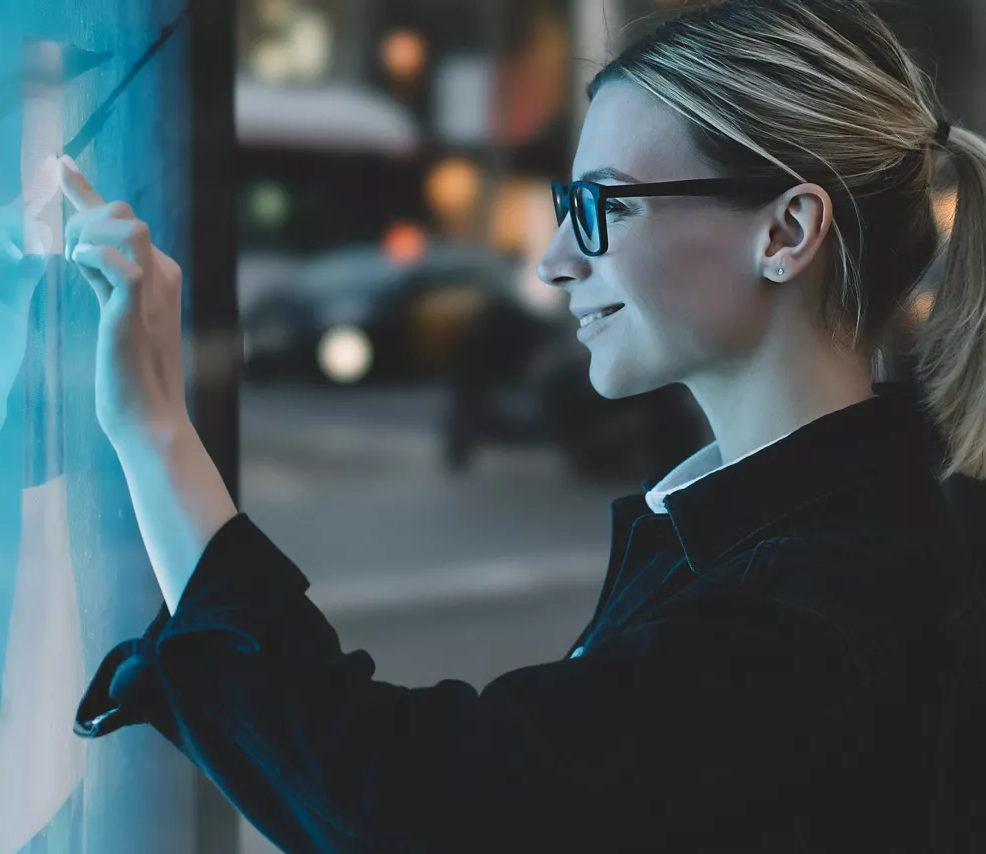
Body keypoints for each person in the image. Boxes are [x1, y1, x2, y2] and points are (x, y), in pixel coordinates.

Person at [67, 0, 986, 849]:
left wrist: (154, 430)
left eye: (601, 207)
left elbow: (406, 803)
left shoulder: (811, 613)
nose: (551, 262)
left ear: (786, 233)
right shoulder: (865, 518)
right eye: (564, 208)